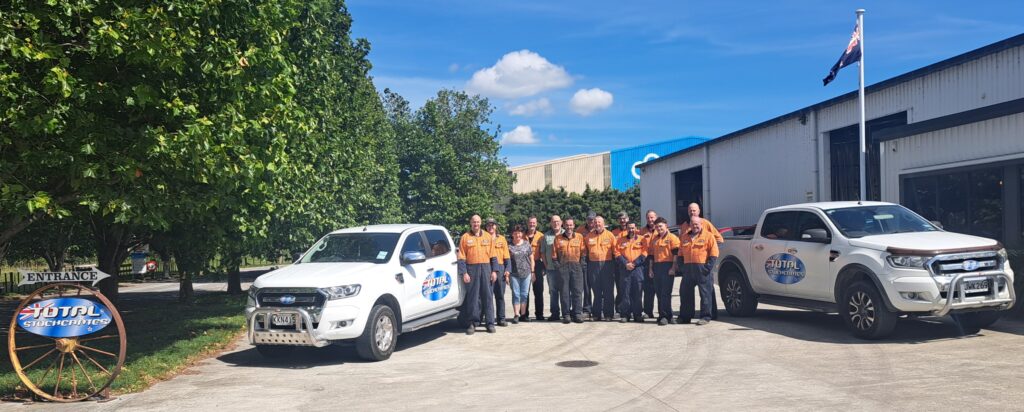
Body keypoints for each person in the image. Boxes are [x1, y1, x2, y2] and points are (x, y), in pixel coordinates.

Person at [457, 215, 500, 334]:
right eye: (474, 222)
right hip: (472, 269)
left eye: (478, 222)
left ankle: (490, 323)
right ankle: (473, 323)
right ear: (470, 223)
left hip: (486, 268)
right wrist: (464, 273)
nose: (476, 224)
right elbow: (461, 257)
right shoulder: (465, 237)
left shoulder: (487, 236)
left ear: (480, 223)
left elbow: (493, 256)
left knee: (488, 296)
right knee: (473, 297)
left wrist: (494, 271)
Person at [674, 216, 719, 325]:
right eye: (692, 224)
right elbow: (680, 254)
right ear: (690, 225)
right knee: (685, 293)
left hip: (702, 269)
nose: (695, 226)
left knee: (705, 294)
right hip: (688, 270)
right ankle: (685, 317)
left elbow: (714, 254)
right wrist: (682, 268)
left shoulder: (708, 236)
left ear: (701, 224)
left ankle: (705, 317)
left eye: (697, 224)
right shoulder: (684, 237)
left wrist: (707, 268)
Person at [686, 203, 721, 319]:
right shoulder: (684, 225)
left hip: (703, 265)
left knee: (707, 292)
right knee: (686, 292)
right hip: (689, 267)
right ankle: (687, 315)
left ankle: (711, 314)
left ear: (699, 211)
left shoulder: (706, 224)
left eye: (694, 210)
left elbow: (719, 239)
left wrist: (709, 260)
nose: (692, 212)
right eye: (690, 210)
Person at [552, 217, 586, 323]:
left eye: (571, 225)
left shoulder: (579, 237)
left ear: (574, 226)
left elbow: (583, 253)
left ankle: (577, 314)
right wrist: (558, 267)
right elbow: (554, 255)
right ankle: (566, 314)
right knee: (564, 292)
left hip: (576, 267)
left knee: (577, 291)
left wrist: (581, 265)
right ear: (564, 225)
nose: (569, 227)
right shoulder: (558, 238)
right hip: (563, 267)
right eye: (567, 225)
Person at [647, 217, 680, 326]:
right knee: (659, 293)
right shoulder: (654, 239)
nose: (659, 228)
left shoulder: (672, 238)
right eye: (657, 227)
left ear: (666, 225)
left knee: (666, 293)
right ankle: (666, 315)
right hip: (657, 267)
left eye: (660, 226)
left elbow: (676, 254)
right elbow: (651, 256)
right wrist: (650, 269)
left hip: (668, 266)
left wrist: (673, 268)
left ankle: (665, 316)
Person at [583, 216, 617, 321]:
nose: (597, 224)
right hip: (593, 266)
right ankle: (596, 314)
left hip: (607, 265)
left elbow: (616, 251)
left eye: (599, 222)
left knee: (608, 291)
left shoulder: (610, 235)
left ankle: (608, 314)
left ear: (603, 223)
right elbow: (585, 252)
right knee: (596, 291)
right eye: (596, 222)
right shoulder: (588, 236)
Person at [614, 222, 648, 323]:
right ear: (626, 229)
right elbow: (617, 253)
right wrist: (626, 264)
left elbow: (645, 252)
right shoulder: (620, 240)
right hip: (625, 269)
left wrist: (634, 263)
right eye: (629, 228)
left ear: (636, 228)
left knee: (638, 292)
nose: (631, 230)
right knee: (625, 292)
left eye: (633, 228)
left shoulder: (642, 239)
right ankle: (625, 315)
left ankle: (637, 314)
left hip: (638, 269)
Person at [537, 215, 565, 321]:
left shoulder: (566, 234)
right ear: (550, 223)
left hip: (564, 269)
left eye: (557, 221)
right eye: (553, 221)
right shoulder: (546, 236)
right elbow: (543, 253)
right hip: (551, 269)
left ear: (561, 222)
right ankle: (555, 313)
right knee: (553, 292)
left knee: (565, 291)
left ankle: (566, 312)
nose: (556, 223)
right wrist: (546, 265)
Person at [507, 225, 535, 325]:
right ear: (512, 234)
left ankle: (523, 315)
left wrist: (532, 272)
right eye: (515, 233)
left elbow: (532, 259)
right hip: (514, 274)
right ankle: (516, 315)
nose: (517, 235)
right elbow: (507, 260)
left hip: (526, 273)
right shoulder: (509, 246)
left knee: (524, 294)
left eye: (519, 233)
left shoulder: (527, 244)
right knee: (516, 294)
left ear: (522, 234)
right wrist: (507, 274)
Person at [486, 219, 511, 327]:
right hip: (488, 267)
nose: (491, 227)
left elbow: (507, 256)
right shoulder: (484, 238)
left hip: (500, 268)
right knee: (488, 296)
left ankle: (501, 318)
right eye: (488, 225)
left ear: (496, 226)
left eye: (493, 225)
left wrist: (507, 269)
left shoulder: (502, 239)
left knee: (500, 295)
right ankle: (489, 319)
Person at [524, 216, 545, 322]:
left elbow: (544, 252)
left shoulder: (541, 236)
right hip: (524, 264)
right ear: (527, 223)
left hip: (537, 264)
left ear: (536, 224)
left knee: (538, 291)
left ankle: (539, 314)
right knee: (525, 291)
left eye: (533, 223)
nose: (532, 224)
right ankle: (524, 314)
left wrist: (544, 266)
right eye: (530, 222)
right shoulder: (522, 235)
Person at [611, 211, 631, 318]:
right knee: (620, 287)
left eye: (624, 218)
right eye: (620, 219)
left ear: (628, 219)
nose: (622, 221)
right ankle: (619, 309)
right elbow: (613, 249)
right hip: (618, 264)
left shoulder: (633, 230)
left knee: (632, 287)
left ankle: (632, 308)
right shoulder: (614, 233)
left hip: (632, 263)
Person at [640, 210, 659, 319]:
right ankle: (648, 312)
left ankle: (663, 312)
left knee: (661, 289)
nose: (650, 220)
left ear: (656, 217)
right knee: (648, 289)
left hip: (660, 261)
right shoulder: (641, 231)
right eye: (648, 218)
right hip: (646, 262)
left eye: (652, 217)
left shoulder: (661, 229)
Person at [578, 211, 596, 315]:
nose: (590, 221)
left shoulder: (599, 229)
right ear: (586, 219)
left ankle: (599, 308)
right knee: (586, 285)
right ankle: (587, 309)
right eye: (589, 219)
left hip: (596, 260)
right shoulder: (580, 230)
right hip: (584, 259)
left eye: (592, 219)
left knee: (598, 285)